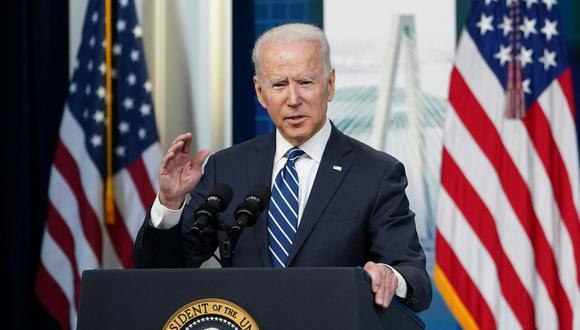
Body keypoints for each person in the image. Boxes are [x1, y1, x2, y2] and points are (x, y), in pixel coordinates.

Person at [134, 23, 432, 312]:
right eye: (279, 84)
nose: (293, 99)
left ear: (329, 85)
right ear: (261, 92)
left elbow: (416, 279)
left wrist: (391, 277)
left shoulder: (376, 173)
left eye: (305, 82)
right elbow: (162, 272)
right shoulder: (225, 170)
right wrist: (170, 204)